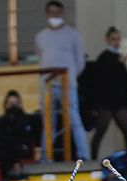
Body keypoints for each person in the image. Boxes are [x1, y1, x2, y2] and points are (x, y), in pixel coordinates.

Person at [35, 0, 91, 161]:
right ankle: (46, 158)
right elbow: (40, 59)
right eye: (51, 13)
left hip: (68, 84)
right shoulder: (40, 37)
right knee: (48, 121)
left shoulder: (74, 35)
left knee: (74, 118)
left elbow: (80, 62)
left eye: (57, 13)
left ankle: (83, 155)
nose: (55, 16)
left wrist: (70, 76)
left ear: (62, 14)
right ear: (47, 15)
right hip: (47, 85)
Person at [82, 26, 127, 159]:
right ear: (107, 40)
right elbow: (104, 81)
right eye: (114, 39)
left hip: (118, 102)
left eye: (118, 39)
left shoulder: (119, 58)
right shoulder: (104, 58)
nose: (116, 42)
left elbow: (125, 79)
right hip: (106, 103)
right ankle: (93, 160)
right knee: (100, 132)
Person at [0, 90, 40, 179]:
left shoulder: (27, 120)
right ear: (6, 105)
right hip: (5, 150)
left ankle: (15, 176)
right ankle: (9, 179)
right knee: (4, 152)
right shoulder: (0, 121)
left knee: (15, 147)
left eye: (15, 103)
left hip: (21, 148)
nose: (13, 106)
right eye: (10, 103)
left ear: (20, 104)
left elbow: (26, 137)